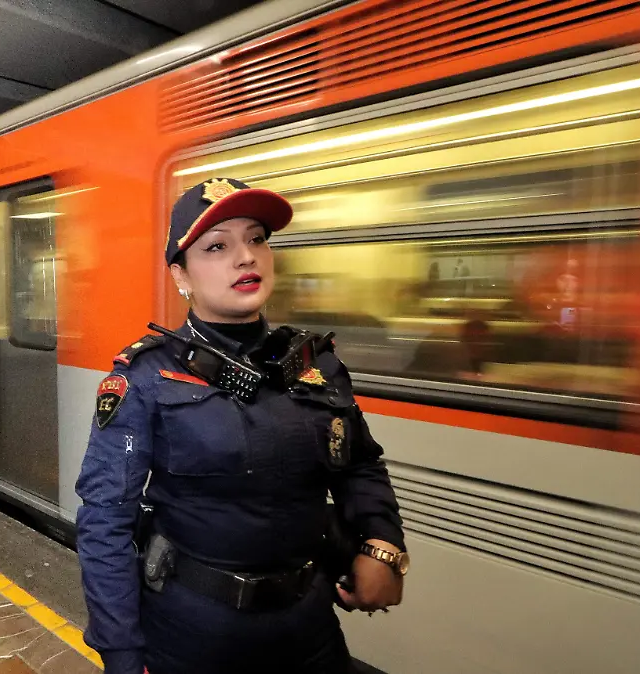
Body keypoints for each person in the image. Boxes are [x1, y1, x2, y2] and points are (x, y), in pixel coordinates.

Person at [75, 178, 408, 674]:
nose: (246, 257)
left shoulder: (316, 365)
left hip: (309, 627)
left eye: (257, 239)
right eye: (217, 246)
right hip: (193, 636)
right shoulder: (146, 377)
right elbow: (105, 520)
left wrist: (383, 544)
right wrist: (122, 654)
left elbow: (359, 462)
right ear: (180, 276)